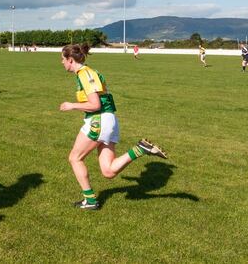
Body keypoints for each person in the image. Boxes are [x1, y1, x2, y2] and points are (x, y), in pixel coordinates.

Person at [58, 44, 168, 210]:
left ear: (70, 59)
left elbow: (95, 104)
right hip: (108, 120)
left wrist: (71, 105)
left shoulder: (85, 74)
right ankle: (140, 149)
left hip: (98, 120)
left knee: (75, 158)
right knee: (108, 171)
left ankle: (90, 200)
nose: (61, 62)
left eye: (62, 59)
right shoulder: (89, 72)